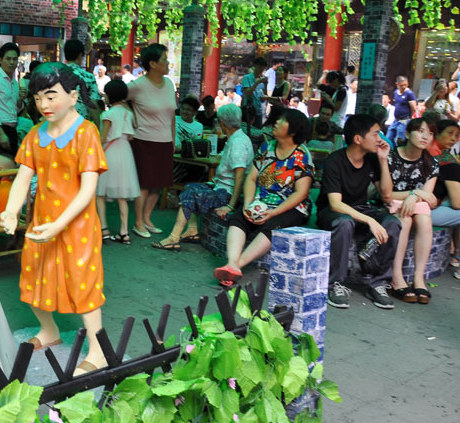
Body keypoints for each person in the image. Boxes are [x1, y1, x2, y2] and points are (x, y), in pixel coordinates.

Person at [0, 62, 108, 376]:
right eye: (37, 99)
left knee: (82, 283)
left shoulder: (87, 132)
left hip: (76, 227)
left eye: (51, 96)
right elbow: (22, 177)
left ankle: (98, 351)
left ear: (73, 96)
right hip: (41, 222)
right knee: (33, 276)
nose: (44, 105)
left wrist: (60, 225)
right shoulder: (35, 134)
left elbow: (89, 189)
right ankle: (48, 330)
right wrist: (11, 210)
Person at [213, 109, 314, 286]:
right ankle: (231, 264)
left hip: (291, 208)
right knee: (239, 217)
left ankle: (236, 266)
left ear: (294, 131)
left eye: (282, 120)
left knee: (273, 225)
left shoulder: (302, 155)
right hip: (262, 202)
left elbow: (301, 193)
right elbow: (251, 177)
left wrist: (273, 212)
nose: (276, 122)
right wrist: (247, 204)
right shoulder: (266, 147)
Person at [315, 114, 398, 308]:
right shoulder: (334, 161)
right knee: (345, 222)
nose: (380, 138)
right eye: (376, 133)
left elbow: (386, 196)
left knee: (393, 222)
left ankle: (378, 282)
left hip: (360, 209)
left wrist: (384, 161)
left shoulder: (372, 159)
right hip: (332, 212)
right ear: (358, 139)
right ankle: (335, 283)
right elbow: (335, 204)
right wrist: (370, 221)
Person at [154, 104, 253, 250]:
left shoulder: (238, 142)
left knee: (193, 193)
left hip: (227, 193)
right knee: (190, 188)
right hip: (221, 186)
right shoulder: (236, 138)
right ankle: (192, 229)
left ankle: (174, 237)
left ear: (223, 123)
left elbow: (240, 177)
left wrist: (230, 205)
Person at [386, 118, 439, 304]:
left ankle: (418, 277)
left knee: (424, 218)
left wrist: (413, 196)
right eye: (421, 131)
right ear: (407, 134)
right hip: (390, 204)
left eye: (431, 133)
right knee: (406, 219)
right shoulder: (390, 158)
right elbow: (386, 194)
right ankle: (397, 276)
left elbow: (429, 196)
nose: (426, 136)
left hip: (415, 205)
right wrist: (414, 192)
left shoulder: (431, 164)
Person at [128, 43, 176, 238]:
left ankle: (147, 219)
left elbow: (172, 114)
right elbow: (113, 97)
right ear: (153, 64)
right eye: (164, 59)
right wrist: (132, 116)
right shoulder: (137, 85)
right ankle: (138, 222)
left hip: (165, 141)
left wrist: (173, 139)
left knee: (159, 184)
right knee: (144, 185)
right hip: (144, 141)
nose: (168, 63)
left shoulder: (170, 84)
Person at [95, 80, 140, 244]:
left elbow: (102, 137)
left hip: (110, 153)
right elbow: (133, 134)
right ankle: (124, 232)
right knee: (122, 195)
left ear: (110, 95)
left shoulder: (107, 114)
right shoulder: (128, 113)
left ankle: (104, 228)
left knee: (100, 193)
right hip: (125, 152)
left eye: (105, 94)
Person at [428, 119, 460, 279]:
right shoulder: (448, 162)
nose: (454, 138)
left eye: (457, 135)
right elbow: (457, 203)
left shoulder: (424, 153)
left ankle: (457, 255)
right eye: (450, 133)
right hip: (425, 211)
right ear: (436, 134)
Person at [0, 42, 27, 156]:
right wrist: (0, 133)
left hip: (12, 130)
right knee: (2, 167)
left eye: (14, 59)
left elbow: (15, 109)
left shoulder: (14, 81)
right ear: (1, 60)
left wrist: (21, 100)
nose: (12, 62)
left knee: (11, 166)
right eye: (8, 59)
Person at [63, 39, 101, 125]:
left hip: (58, 126)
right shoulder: (88, 77)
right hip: (80, 126)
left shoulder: (54, 75)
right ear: (80, 55)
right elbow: (93, 103)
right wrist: (99, 127)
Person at [387, 76, 417, 143]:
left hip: (404, 120)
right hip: (396, 119)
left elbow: (414, 107)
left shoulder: (409, 93)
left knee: (399, 139)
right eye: (401, 85)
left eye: (405, 85)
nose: (403, 87)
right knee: (389, 137)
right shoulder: (396, 92)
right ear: (397, 84)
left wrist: (411, 116)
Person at [240, 57, 268, 127]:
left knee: (257, 132)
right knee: (247, 130)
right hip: (248, 110)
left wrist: (265, 84)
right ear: (255, 66)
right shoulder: (247, 77)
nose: (261, 70)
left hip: (258, 110)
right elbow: (247, 93)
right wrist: (257, 82)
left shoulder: (262, 79)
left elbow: (264, 98)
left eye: (263, 68)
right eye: (259, 67)